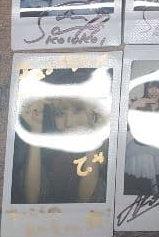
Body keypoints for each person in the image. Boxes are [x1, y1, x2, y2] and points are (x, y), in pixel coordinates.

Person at [12, 70, 110, 204]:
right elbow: (31, 200)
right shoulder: (51, 151)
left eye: (78, 110)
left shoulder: (110, 150)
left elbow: (85, 200)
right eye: (59, 113)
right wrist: (36, 129)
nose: (69, 123)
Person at [123, 81, 159, 195]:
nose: (153, 91)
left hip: (155, 155)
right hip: (136, 154)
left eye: (158, 87)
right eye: (150, 87)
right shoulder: (137, 104)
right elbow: (123, 129)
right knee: (137, 187)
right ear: (146, 89)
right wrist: (134, 106)